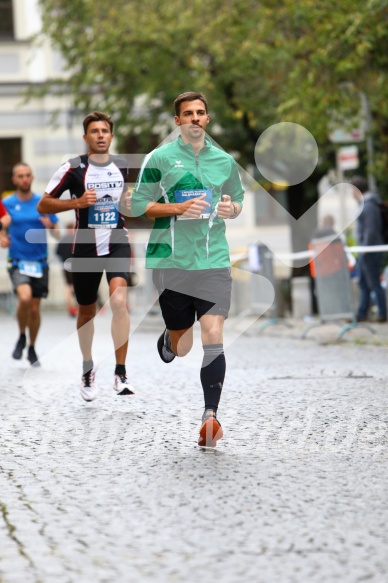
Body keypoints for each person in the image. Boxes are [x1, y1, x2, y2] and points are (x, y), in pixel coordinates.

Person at [131, 91, 244, 447]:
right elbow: (138, 205)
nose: (195, 118)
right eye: (187, 114)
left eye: (200, 113)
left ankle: (210, 415)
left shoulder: (224, 161)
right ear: (177, 121)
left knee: (213, 334)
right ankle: (170, 335)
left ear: (207, 119)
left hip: (213, 261)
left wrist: (231, 208)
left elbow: (237, 199)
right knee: (182, 347)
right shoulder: (160, 158)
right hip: (173, 261)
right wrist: (177, 210)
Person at [37, 111, 133, 401]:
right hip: (86, 248)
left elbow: (127, 201)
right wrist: (77, 202)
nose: (101, 135)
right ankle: (88, 368)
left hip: (117, 241)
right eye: (95, 131)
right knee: (87, 311)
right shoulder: (73, 167)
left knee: (118, 300)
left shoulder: (122, 166)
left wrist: (129, 202)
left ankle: (120, 371)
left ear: (111, 136)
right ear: (86, 137)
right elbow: (44, 204)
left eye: (105, 130)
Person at [2, 163, 60, 366]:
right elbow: (2, 226)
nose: (24, 179)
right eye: (20, 176)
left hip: (40, 262)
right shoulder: (7, 203)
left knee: (35, 310)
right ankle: (21, 336)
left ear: (32, 178)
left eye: (27, 175)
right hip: (17, 261)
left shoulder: (42, 203)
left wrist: (51, 226)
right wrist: (2, 237)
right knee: (25, 298)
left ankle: (32, 347)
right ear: (14, 180)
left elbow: (57, 232)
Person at [351, 175, 387, 323]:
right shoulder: (367, 204)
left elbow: (371, 230)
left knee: (373, 282)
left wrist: (365, 247)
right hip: (366, 250)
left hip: (369, 250)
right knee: (364, 283)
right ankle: (362, 313)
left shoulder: (369, 205)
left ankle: (382, 313)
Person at [55, 221, 79, 317]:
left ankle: (70, 307)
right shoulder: (76, 239)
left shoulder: (63, 239)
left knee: (68, 287)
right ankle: (77, 306)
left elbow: (57, 252)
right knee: (77, 286)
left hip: (66, 265)